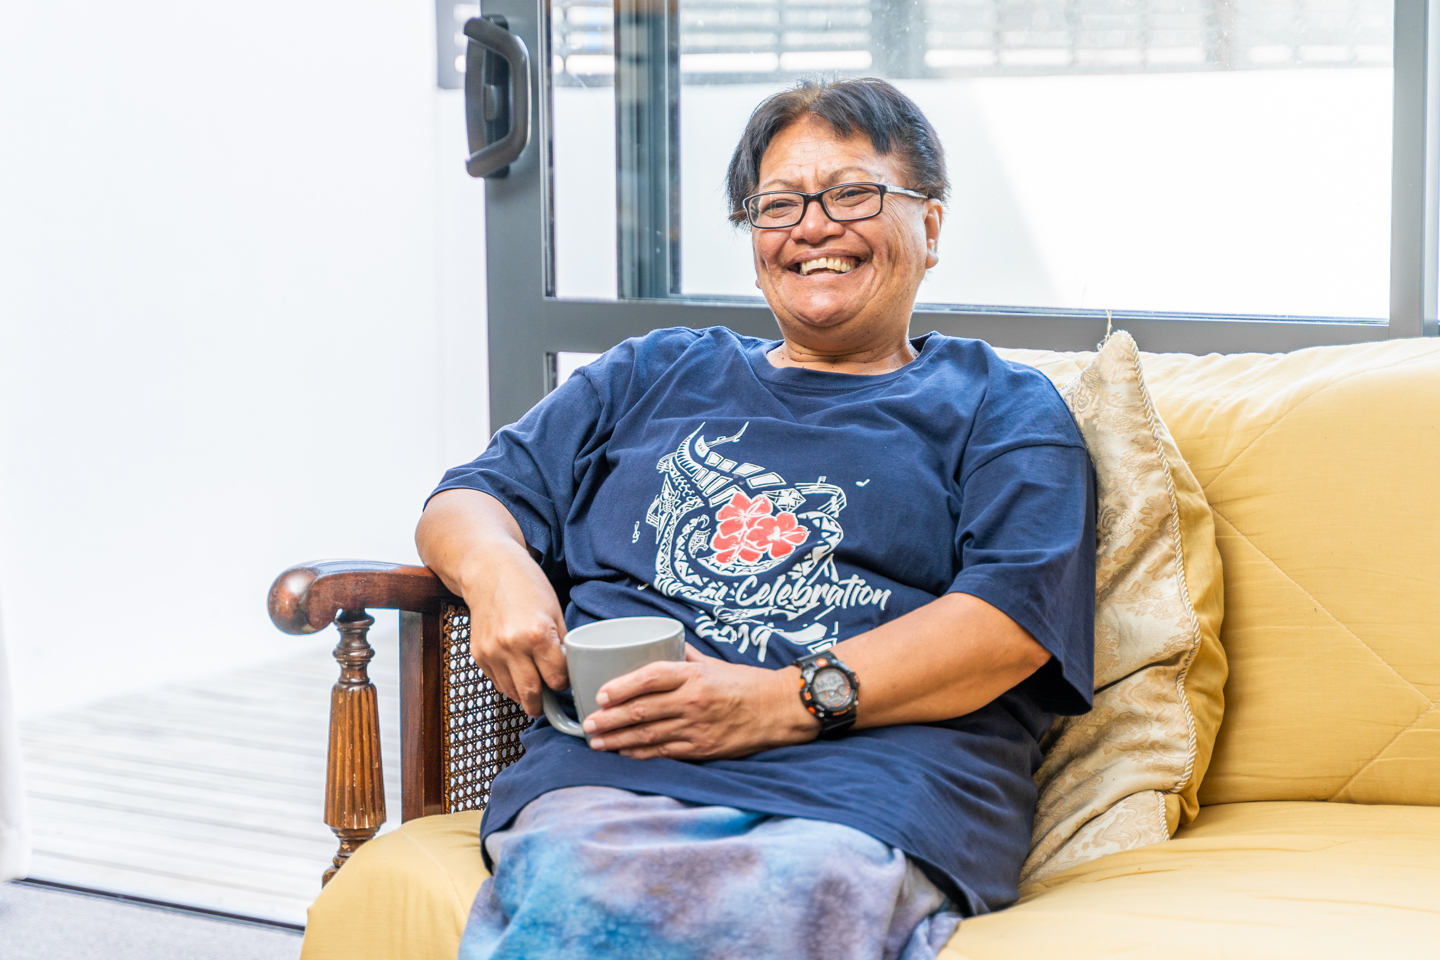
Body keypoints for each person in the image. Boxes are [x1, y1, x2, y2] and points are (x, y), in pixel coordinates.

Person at [416, 78, 1095, 960]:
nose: (812, 227)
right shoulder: (650, 374)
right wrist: (498, 572)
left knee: (790, 896)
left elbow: (1010, 624)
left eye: (851, 194)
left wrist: (776, 703)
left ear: (930, 227)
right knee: (590, 897)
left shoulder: (1000, 406)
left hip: (869, 790)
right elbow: (467, 500)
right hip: (615, 774)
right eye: (778, 205)